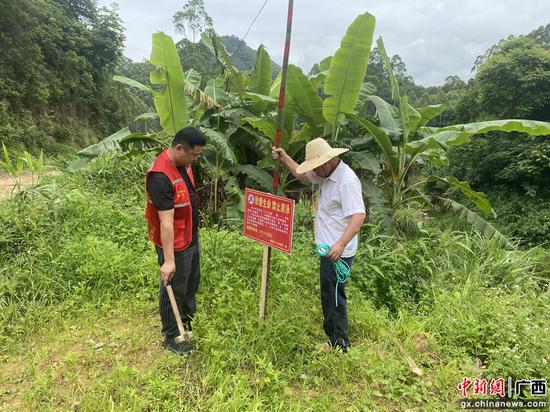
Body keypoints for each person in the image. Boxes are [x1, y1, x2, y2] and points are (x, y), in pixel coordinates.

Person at [272, 138, 366, 352]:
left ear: (327, 162)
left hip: (337, 252)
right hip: (329, 248)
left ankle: (340, 344)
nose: (314, 172)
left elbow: (358, 216)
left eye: (316, 167)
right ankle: (333, 336)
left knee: (334, 296)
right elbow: (303, 175)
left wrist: (340, 245)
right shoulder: (326, 172)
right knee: (328, 292)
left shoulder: (346, 181)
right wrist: (284, 156)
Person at [145, 127, 206, 355]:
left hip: (189, 236)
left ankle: (186, 322)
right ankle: (171, 335)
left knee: (191, 281)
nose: (196, 159)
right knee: (173, 286)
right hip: (174, 243)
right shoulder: (160, 176)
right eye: (194, 154)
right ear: (179, 148)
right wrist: (168, 261)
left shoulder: (184, 165)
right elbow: (166, 222)